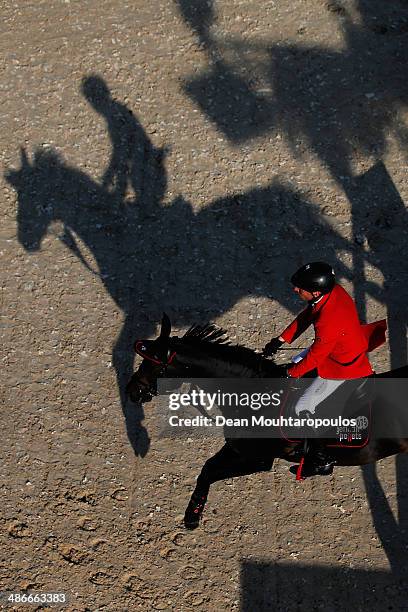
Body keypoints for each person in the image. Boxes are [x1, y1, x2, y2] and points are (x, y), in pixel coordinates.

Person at [263, 262, 375, 477]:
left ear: (314, 291)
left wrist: (290, 374)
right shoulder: (330, 292)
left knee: (303, 406)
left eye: (299, 288)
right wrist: (280, 340)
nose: (295, 290)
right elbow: (308, 315)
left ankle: (321, 460)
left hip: (342, 365)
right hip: (342, 345)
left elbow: (316, 357)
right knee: (297, 360)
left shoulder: (329, 321)